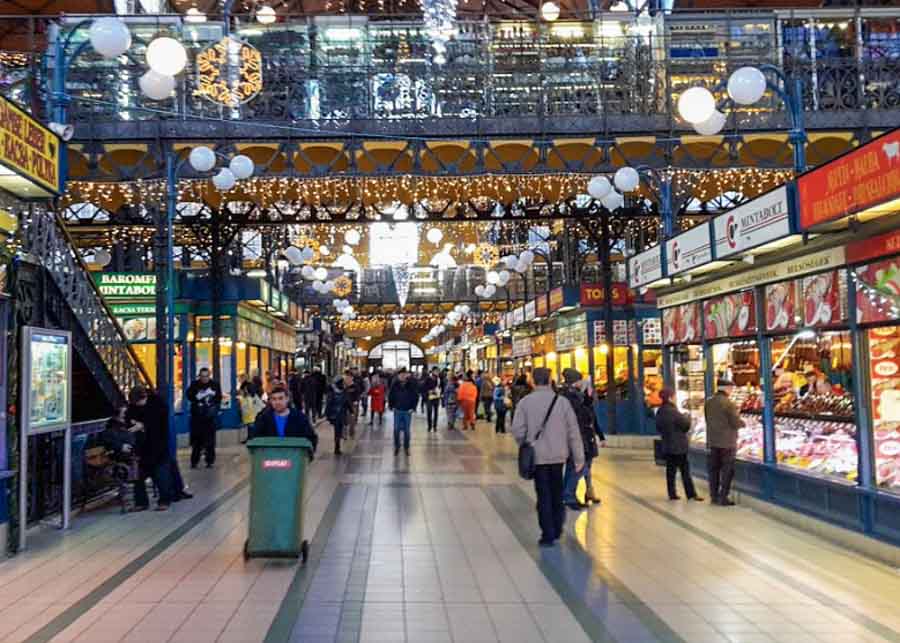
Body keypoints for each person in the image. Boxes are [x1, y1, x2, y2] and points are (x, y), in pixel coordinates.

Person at [511, 368, 585, 547]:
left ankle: (547, 533)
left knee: (543, 494)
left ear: (533, 382)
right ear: (550, 380)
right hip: (558, 456)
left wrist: (526, 442)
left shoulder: (525, 403)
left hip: (538, 457)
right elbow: (573, 432)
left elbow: (517, 430)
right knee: (557, 492)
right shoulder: (562, 402)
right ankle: (558, 526)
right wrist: (579, 458)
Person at [560, 369, 604, 509]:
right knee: (579, 467)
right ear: (574, 381)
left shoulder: (576, 395)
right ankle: (568, 496)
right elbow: (581, 414)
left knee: (578, 467)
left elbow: (590, 413)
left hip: (584, 437)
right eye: (579, 380)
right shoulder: (570, 397)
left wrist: (587, 396)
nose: (582, 382)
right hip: (577, 438)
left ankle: (574, 494)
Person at [657, 388, 703, 502]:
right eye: (674, 396)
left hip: (667, 444)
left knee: (670, 471)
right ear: (670, 398)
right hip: (678, 445)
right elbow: (685, 425)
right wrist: (687, 418)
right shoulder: (673, 411)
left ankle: (672, 493)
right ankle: (691, 494)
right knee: (685, 471)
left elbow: (658, 427)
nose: (675, 398)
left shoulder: (660, 411)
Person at [704, 378, 744, 506]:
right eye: (731, 388)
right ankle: (723, 497)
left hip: (712, 440)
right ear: (727, 388)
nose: (732, 391)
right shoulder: (728, 403)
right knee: (727, 470)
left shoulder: (709, 402)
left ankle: (713, 496)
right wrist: (743, 423)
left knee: (714, 469)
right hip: (727, 442)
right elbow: (735, 422)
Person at [250, 386, 319, 452]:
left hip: (293, 458)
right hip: (270, 458)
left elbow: (311, 438)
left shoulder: (299, 417)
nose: (277, 402)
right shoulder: (263, 418)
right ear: (270, 401)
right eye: (274, 399)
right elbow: (255, 438)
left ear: (287, 399)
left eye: (280, 398)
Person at [186, 368, 222, 469]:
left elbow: (218, 397)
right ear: (199, 376)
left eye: (206, 376)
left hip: (209, 417)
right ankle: (194, 461)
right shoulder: (194, 385)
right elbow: (189, 395)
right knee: (197, 441)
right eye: (202, 376)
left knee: (210, 441)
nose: (204, 378)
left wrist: (213, 405)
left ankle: (209, 461)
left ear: (209, 376)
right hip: (197, 417)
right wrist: (197, 398)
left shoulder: (215, 385)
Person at [388, 368, 419, 456]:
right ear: (398, 376)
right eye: (401, 374)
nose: (402, 376)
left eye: (404, 374)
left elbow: (415, 396)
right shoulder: (395, 384)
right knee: (396, 429)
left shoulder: (411, 385)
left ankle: (406, 447)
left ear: (406, 375)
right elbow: (390, 395)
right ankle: (397, 446)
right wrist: (391, 406)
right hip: (397, 410)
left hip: (407, 411)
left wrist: (413, 407)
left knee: (407, 431)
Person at [326, 371, 353, 456]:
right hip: (341, 414)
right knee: (339, 430)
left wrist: (327, 414)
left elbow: (329, 403)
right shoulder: (343, 391)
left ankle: (337, 446)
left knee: (337, 431)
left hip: (334, 414)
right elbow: (347, 402)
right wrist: (351, 410)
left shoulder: (332, 391)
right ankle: (337, 446)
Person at [423, 368, 441, 433]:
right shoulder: (428, 379)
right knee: (429, 413)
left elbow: (441, 387)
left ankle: (435, 426)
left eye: (438, 371)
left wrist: (440, 392)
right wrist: (429, 391)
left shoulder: (439, 379)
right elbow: (424, 388)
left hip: (436, 398)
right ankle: (429, 426)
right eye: (436, 371)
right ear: (433, 371)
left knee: (436, 413)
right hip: (429, 398)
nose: (437, 372)